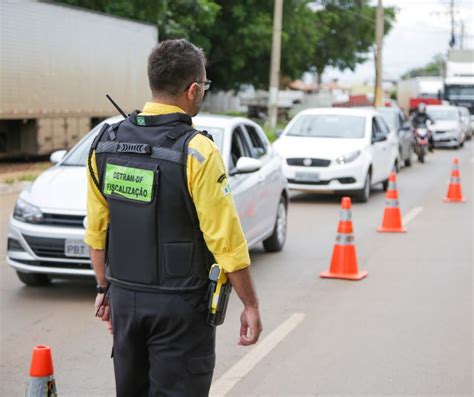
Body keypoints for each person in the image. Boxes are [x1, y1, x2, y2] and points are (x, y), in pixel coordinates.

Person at [85, 39, 262, 396]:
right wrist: (251, 304)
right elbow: (225, 240)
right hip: (179, 308)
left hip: (124, 300)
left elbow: (96, 229)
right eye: (205, 87)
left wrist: (105, 289)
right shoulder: (197, 151)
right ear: (193, 89)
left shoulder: (104, 144)